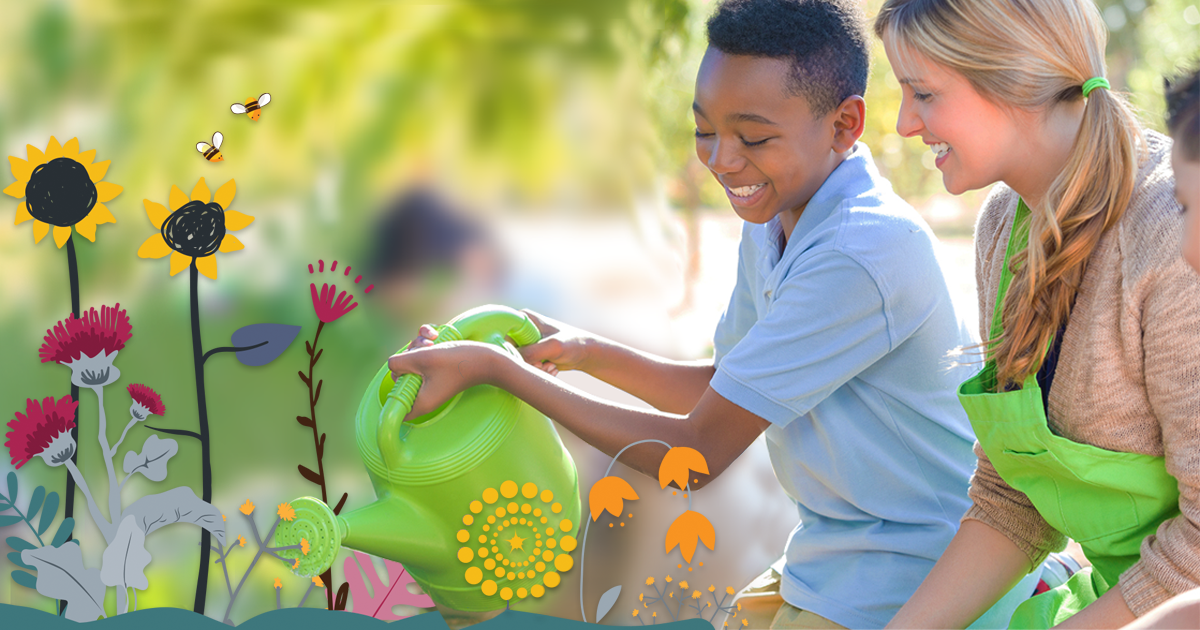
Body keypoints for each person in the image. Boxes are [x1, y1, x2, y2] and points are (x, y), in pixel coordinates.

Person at [390, 0, 1035, 627]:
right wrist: (581, 350)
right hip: (840, 549)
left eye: (753, 136)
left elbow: (697, 452)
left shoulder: (859, 252)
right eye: (705, 129)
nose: (723, 159)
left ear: (843, 125)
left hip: (915, 564)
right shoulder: (782, 209)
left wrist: (503, 374)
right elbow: (727, 386)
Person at [874, 1, 1200, 628]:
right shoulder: (1002, 226)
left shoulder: (1171, 234)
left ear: (1015, 78)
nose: (906, 122)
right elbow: (1012, 500)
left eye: (923, 93)